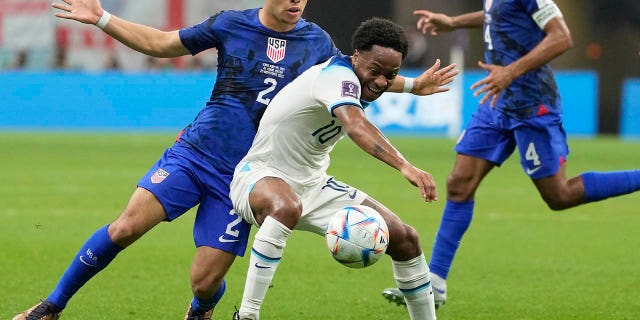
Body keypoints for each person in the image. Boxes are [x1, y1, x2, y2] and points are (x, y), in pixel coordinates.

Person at [14, 1, 457, 319]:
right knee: (126, 227)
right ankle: (51, 306)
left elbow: (354, 78)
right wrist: (104, 18)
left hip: (251, 173)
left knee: (205, 283)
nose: (296, 4)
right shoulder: (231, 25)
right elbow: (162, 43)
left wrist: (411, 85)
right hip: (198, 152)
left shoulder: (316, 41)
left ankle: (201, 311)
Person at [382, 0, 640, 309]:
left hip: (533, 106)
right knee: (459, 183)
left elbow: (562, 37)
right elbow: (497, 15)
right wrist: (452, 22)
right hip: (496, 103)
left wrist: (511, 72)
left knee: (560, 195)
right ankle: (434, 283)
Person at [229, 17, 458, 320]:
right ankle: (247, 315)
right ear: (356, 57)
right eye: (374, 71)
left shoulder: (361, 78)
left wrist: (414, 85)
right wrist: (405, 166)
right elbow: (356, 125)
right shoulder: (336, 77)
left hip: (313, 185)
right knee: (286, 206)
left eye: (391, 74)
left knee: (405, 238)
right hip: (258, 175)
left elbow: (381, 77)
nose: (380, 81)